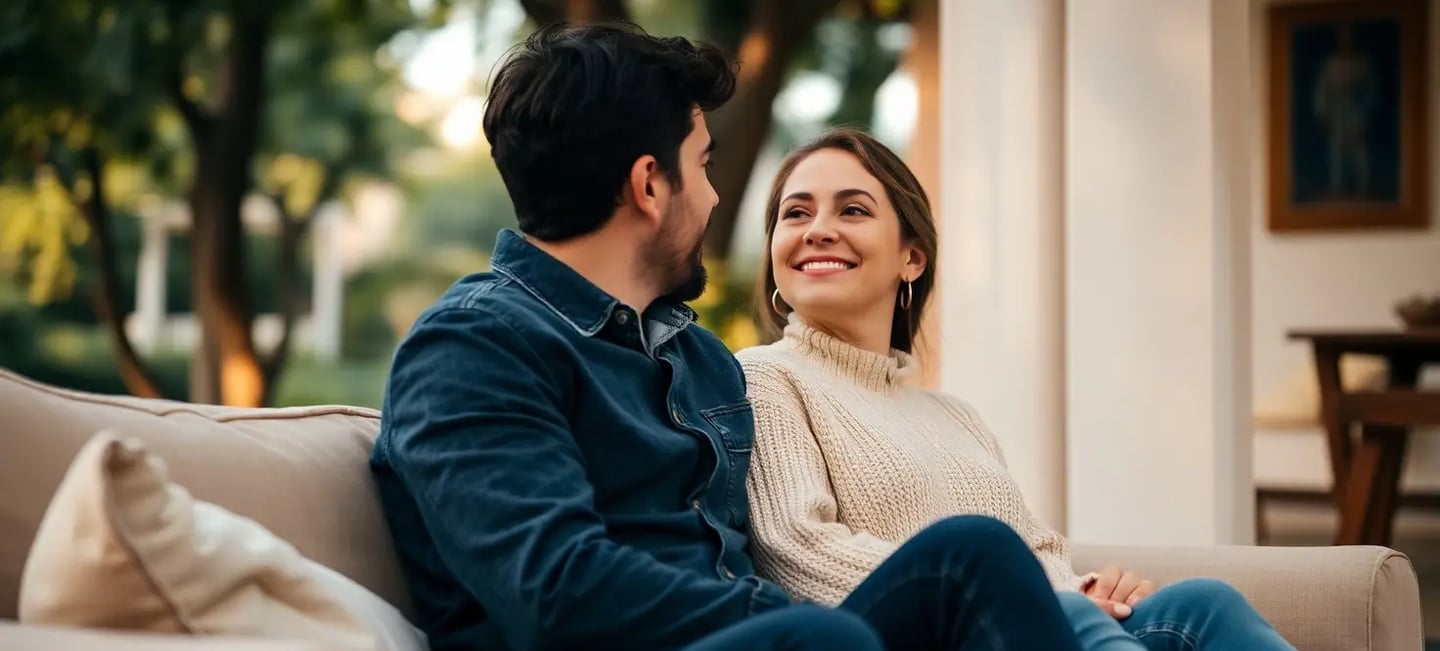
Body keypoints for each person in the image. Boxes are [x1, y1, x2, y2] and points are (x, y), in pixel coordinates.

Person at [370, 21, 1088, 651]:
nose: (714, 197)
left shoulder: (696, 358)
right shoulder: (475, 348)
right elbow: (556, 590)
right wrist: (780, 614)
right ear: (651, 186)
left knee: (969, 557)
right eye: (704, 164)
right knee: (819, 635)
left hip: (770, 633)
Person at [736, 127, 1298, 651]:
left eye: (852, 209)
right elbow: (798, 552)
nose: (817, 229)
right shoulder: (766, 378)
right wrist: (1045, 598)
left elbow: (1039, 552)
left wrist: (1088, 588)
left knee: (1203, 602)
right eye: (796, 213)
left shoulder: (954, 415)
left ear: (912, 257)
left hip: (1020, 626)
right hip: (913, 632)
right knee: (1070, 614)